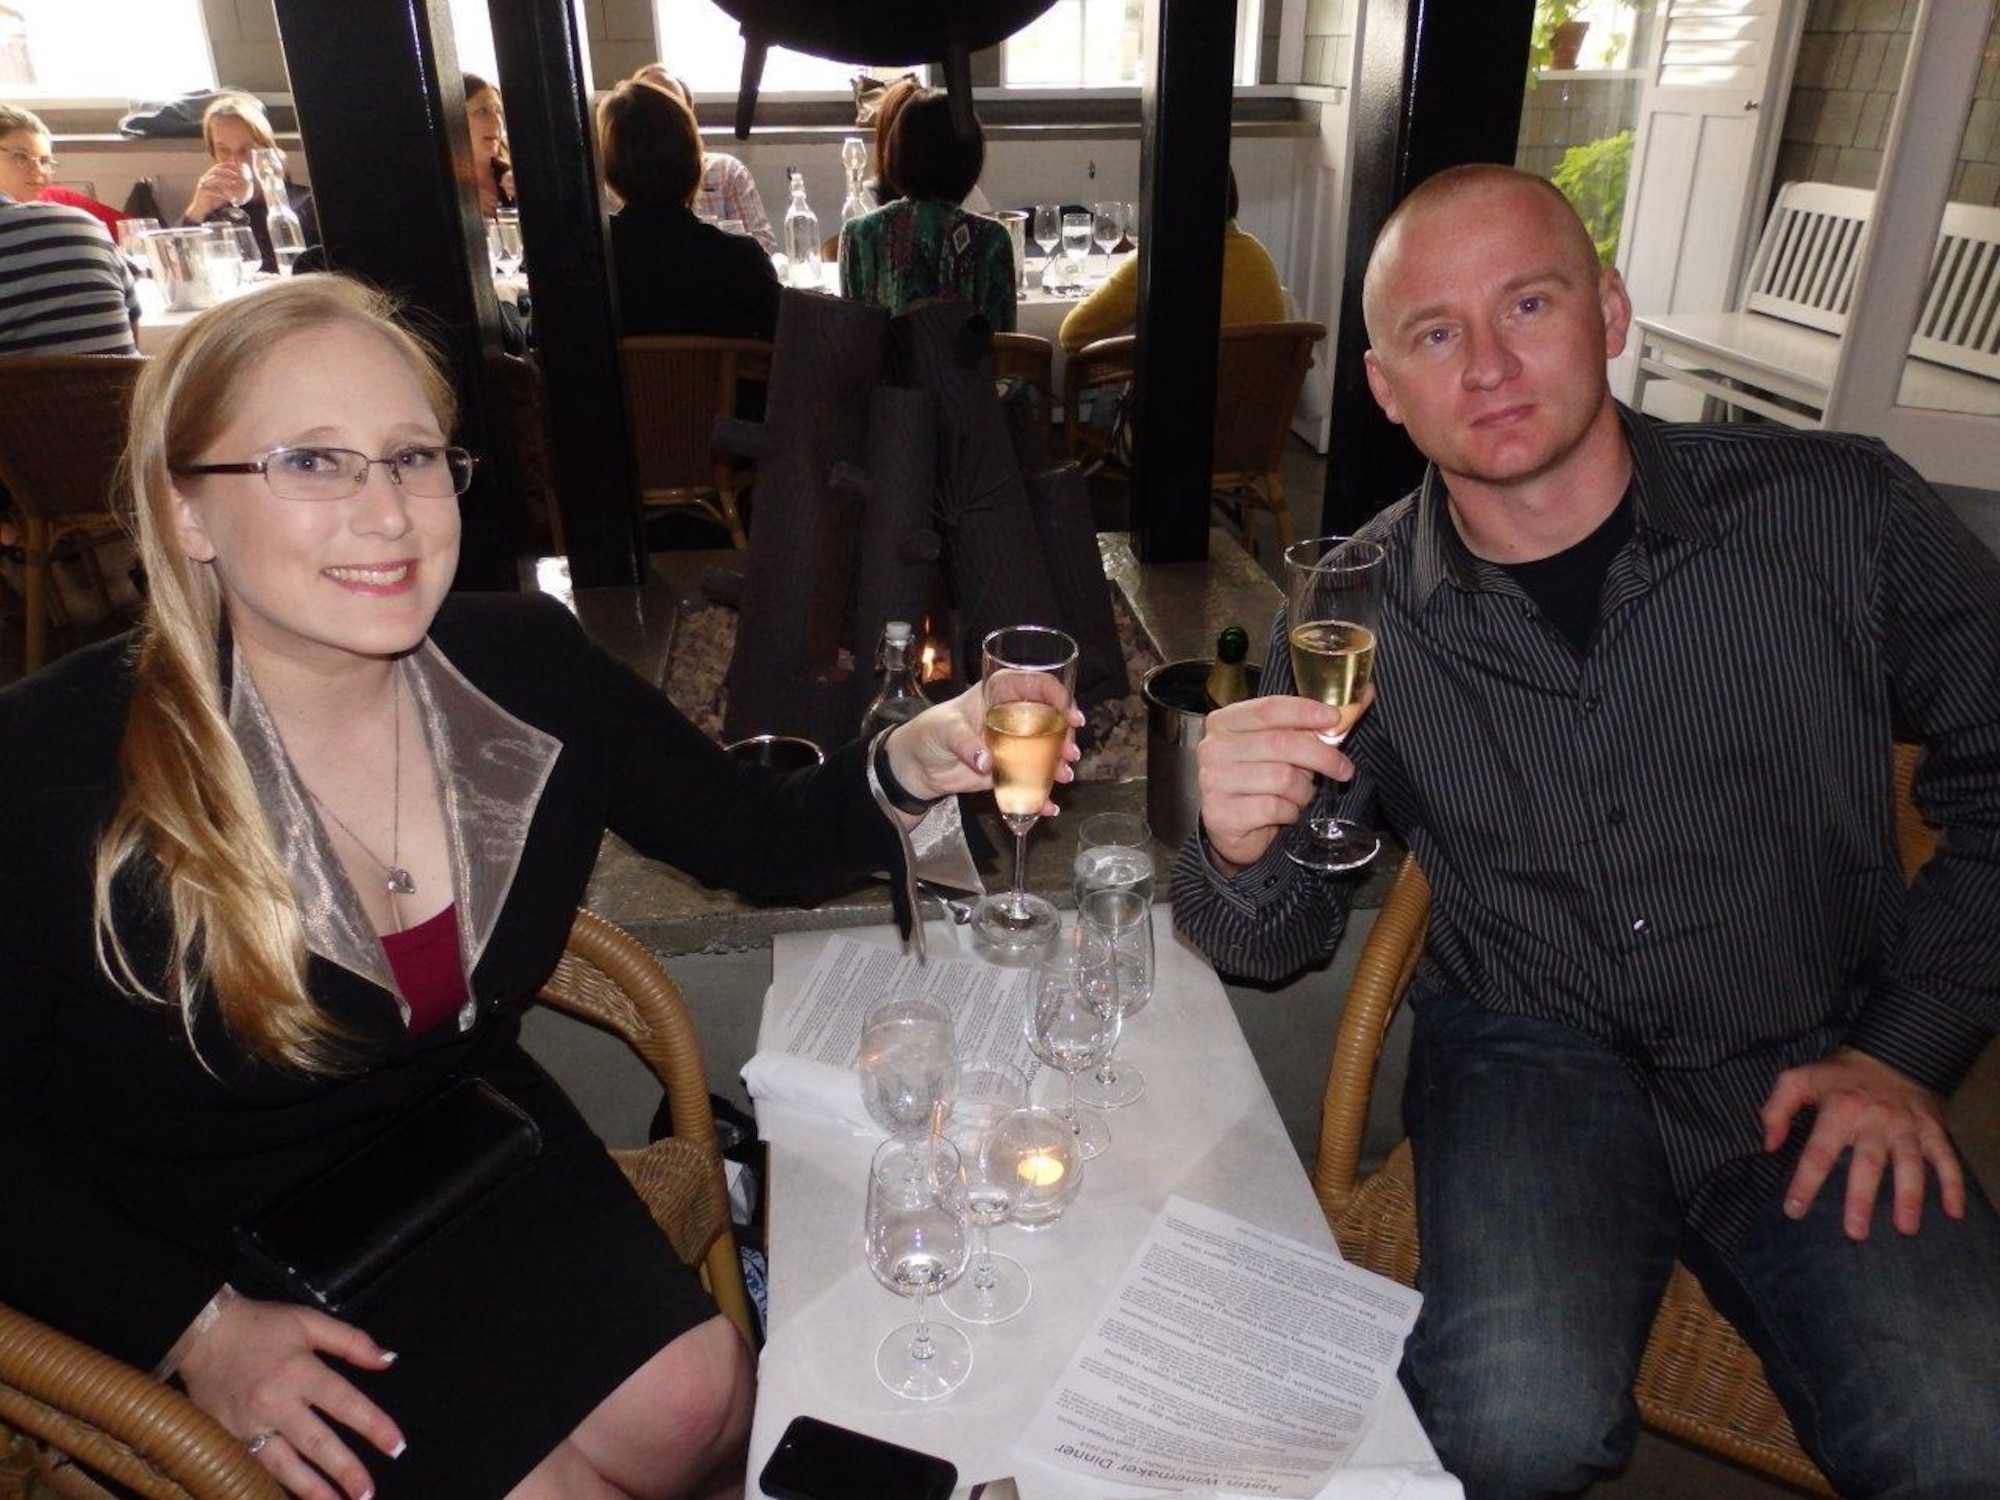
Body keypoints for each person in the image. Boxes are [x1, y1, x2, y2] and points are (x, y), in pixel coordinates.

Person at [0, 273, 1066, 1500]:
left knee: (703, 1395)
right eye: (312, 463)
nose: (388, 514)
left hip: (456, 1141)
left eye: (411, 457)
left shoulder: (525, 667)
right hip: (188, 1233)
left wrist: (903, 761)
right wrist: (192, 1328)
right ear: (186, 510)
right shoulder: (44, 769)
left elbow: (757, 837)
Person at [1172, 164, 2000, 1499]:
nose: (1489, 364)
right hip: (1526, 1057)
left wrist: (1907, 1050)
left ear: (1608, 311)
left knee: (1974, 1437)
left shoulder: (1836, 515)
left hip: (1807, 1048)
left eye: (1529, 304)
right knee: (1514, 1424)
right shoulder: (1356, 612)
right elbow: (1271, 944)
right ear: (1386, 388)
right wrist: (1233, 844)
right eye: (1436, 334)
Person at [598, 79, 780, 341]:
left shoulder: (590, 259)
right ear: (696, 164)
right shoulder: (742, 260)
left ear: (611, 172)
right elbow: (787, 347)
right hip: (722, 383)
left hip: (619, 384)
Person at [839, 88, 1015, 333]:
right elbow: (1004, 348)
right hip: (967, 372)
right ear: (970, 157)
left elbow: (853, 341)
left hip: (882, 372)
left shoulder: (858, 235)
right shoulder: (991, 239)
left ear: (896, 151)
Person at [1056, 169, 1282, 354]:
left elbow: (1073, 335)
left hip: (1179, 405)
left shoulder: (1157, 261)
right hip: (1259, 404)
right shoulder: (1258, 255)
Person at [0, 103, 138, 355]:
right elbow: (133, 326)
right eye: (20, 157)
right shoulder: (85, 224)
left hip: (18, 394)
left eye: (45, 161)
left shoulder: (83, 224)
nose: (38, 171)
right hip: (118, 391)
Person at [629, 64, 776, 255]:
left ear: (689, 119)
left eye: (671, 110)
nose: (660, 123)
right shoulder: (610, 187)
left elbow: (764, 249)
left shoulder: (727, 172)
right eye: (648, 111)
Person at [179, 92, 320, 275]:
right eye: (223, 149)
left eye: (245, 150)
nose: (235, 161)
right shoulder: (214, 214)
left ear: (266, 149)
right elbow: (183, 273)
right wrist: (196, 211)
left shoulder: (305, 204)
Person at [464, 73, 515, 218]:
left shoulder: (510, 177)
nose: (497, 122)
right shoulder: (441, 188)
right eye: (482, 111)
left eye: (498, 111)